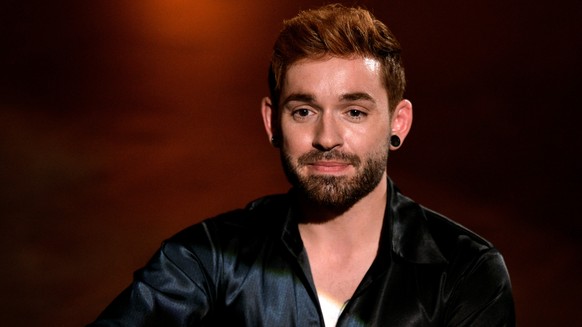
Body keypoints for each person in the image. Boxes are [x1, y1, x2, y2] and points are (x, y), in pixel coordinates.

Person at [88, 4, 515, 326]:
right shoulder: (205, 259)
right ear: (271, 121)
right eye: (304, 111)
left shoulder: (463, 271)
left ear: (397, 122)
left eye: (354, 112)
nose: (327, 138)